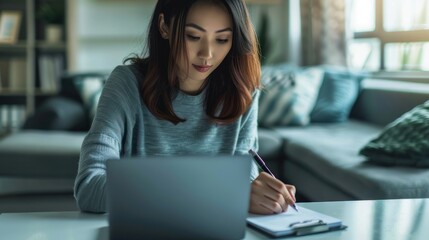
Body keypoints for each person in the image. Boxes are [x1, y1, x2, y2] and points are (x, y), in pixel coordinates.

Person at [74, 0, 296, 214]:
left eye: (222, 39)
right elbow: (90, 187)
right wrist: (218, 193)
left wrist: (263, 195)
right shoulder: (126, 84)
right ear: (164, 27)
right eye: (193, 36)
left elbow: (243, 182)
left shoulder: (243, 92)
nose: (207, 54)